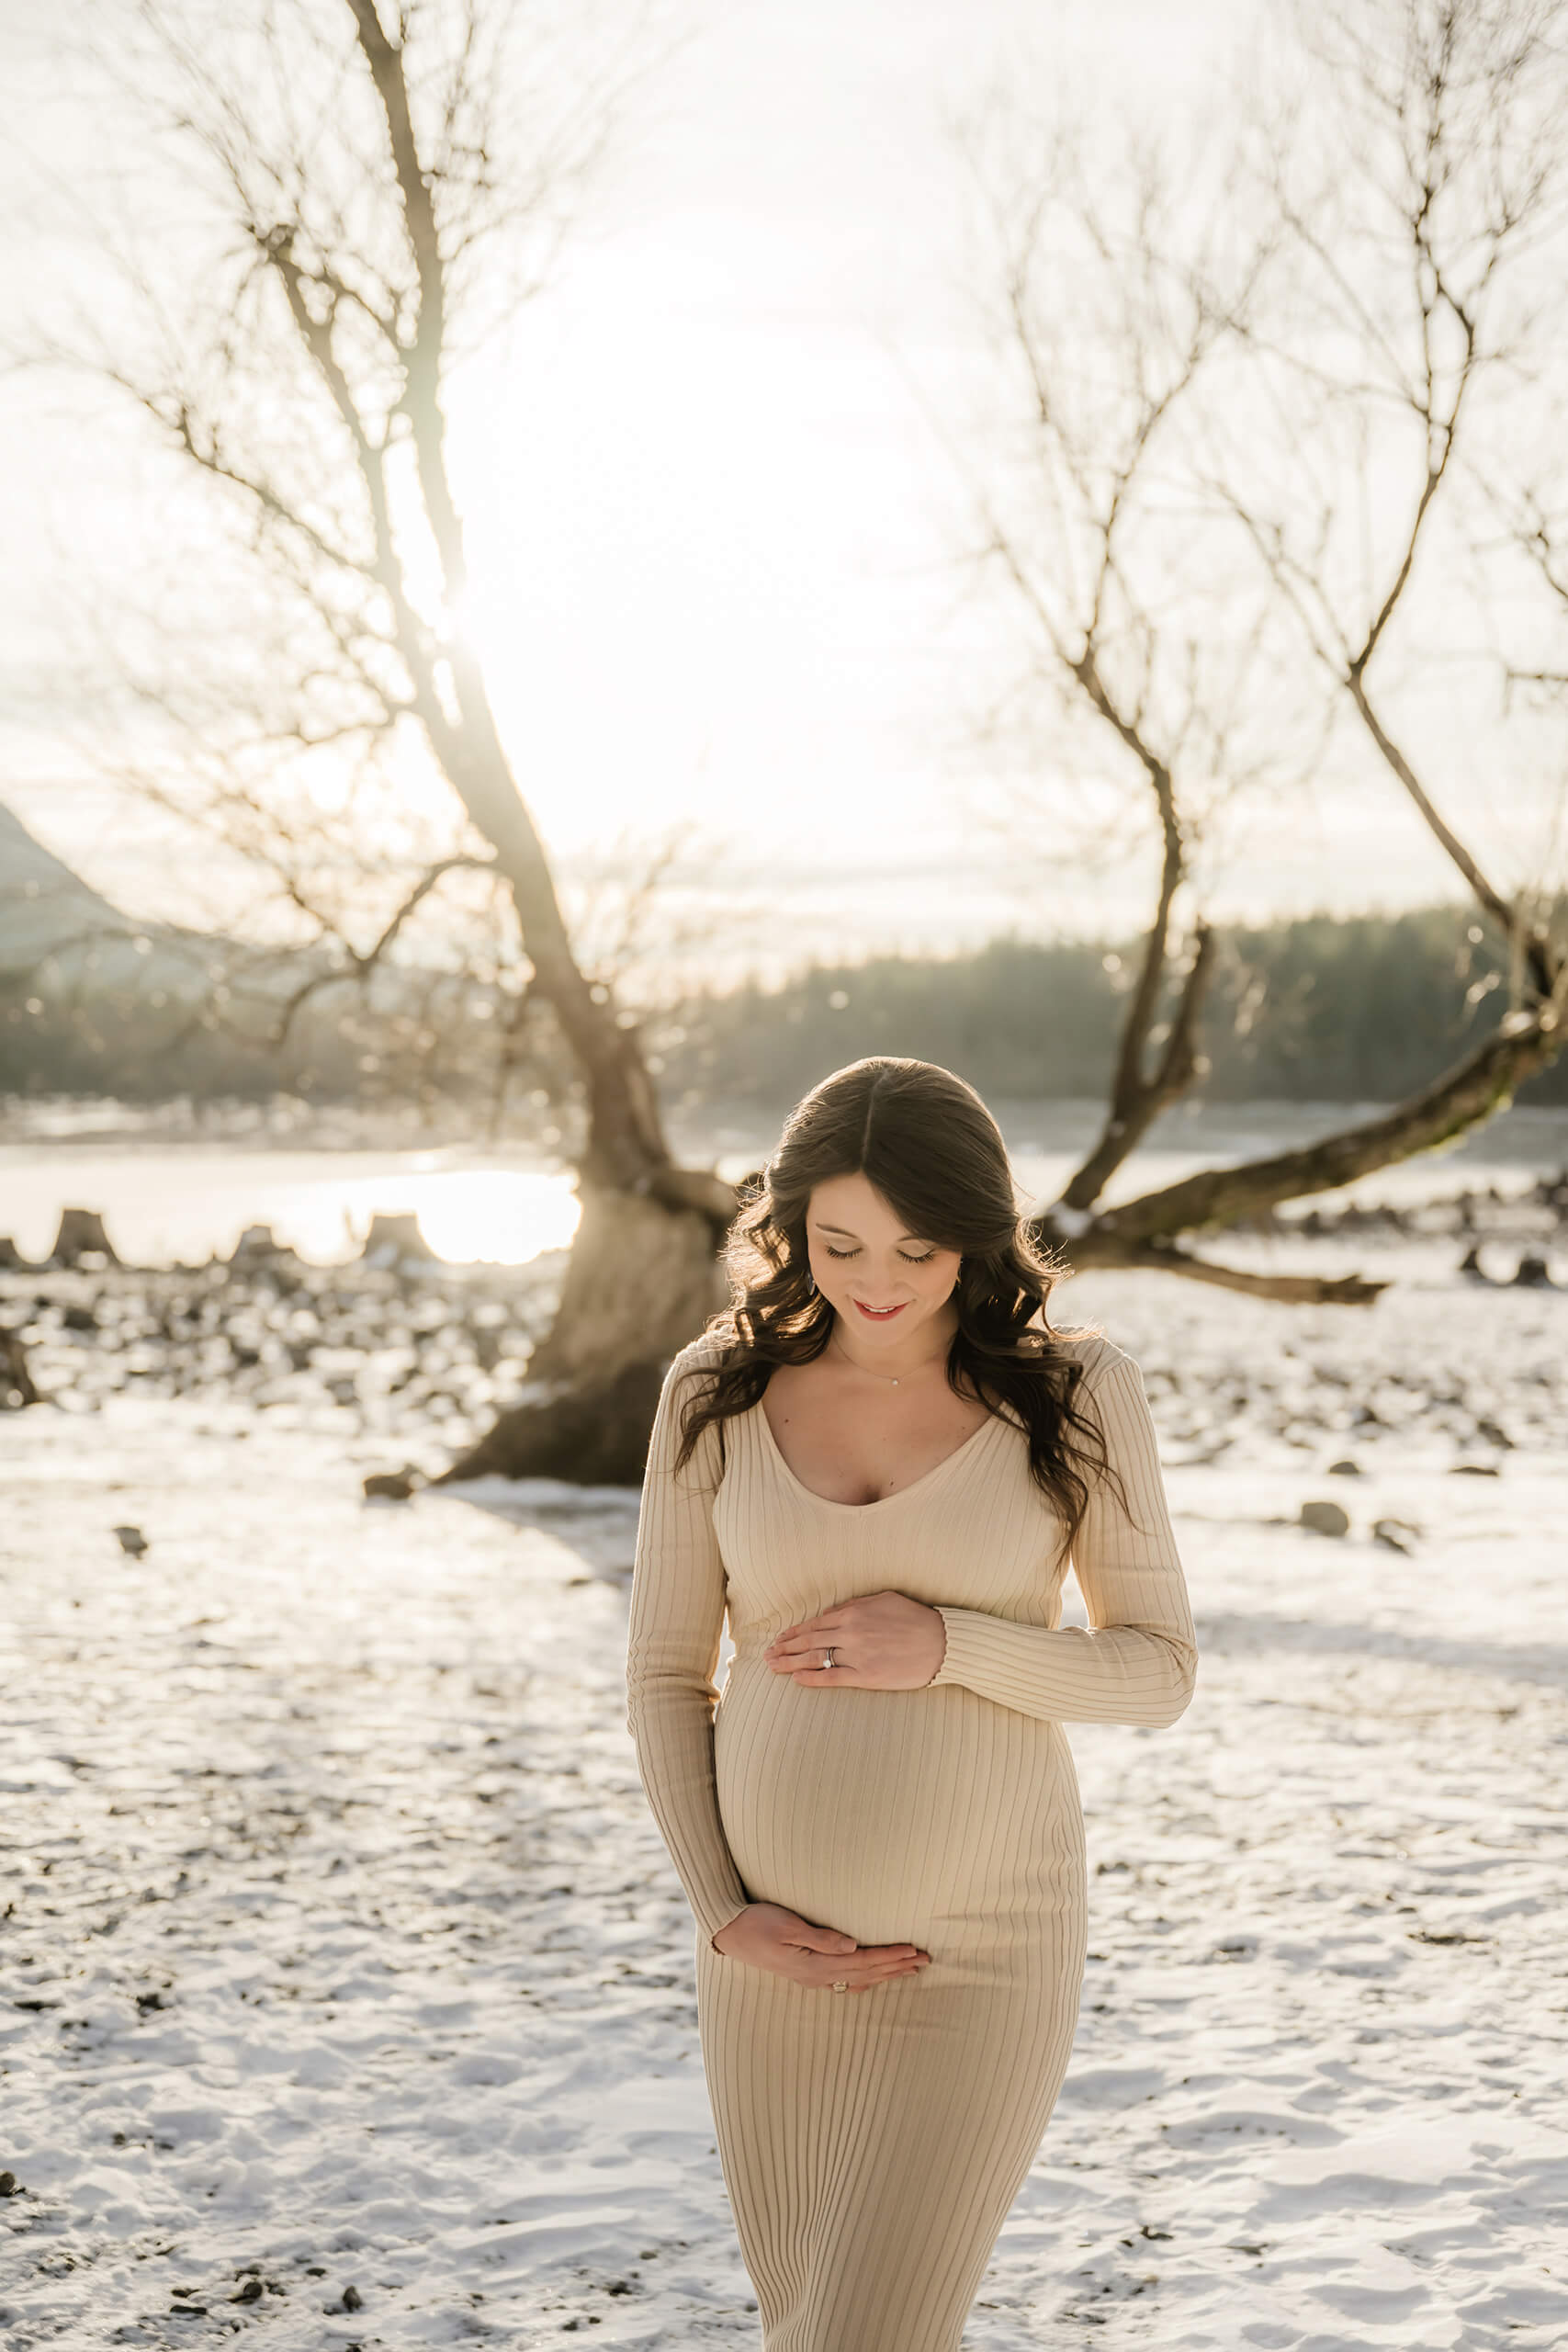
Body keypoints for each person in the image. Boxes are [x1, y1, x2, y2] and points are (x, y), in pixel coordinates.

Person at [625, 1057, 1198, 2352]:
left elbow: (1159, 1669)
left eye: (919, 1248)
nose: (877, 1281)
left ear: (978, 1235)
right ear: (790, 1229)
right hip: (772, 1966)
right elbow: (665, 1678)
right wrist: (725, 1916)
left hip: (985, 1950)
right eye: (838, 1244)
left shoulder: (1072, 1392)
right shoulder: (714, 1392)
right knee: (807, 2331)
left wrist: (951, 1646)